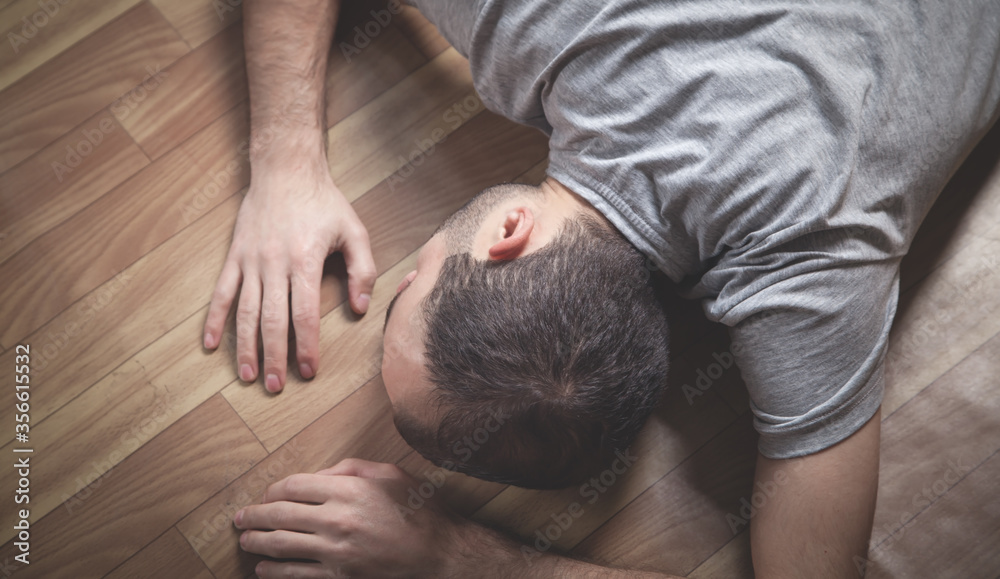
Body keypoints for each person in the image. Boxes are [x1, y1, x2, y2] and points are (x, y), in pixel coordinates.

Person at [204, 0, 1000, 576]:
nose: (409, 270)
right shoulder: (551, 24)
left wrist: (459, 555)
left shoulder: (813, 283)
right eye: (411, 285)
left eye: (408, 284)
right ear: (507, 234)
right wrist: (286, 168)